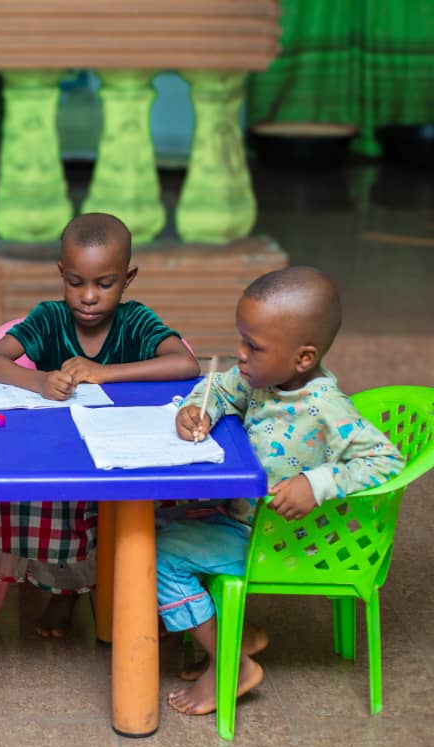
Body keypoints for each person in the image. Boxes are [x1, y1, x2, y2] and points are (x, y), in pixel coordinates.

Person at [161, 266, 405, 716]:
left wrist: (318, 483)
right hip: (240, 518)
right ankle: (240, 632)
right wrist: (199, 410)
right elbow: (220, 392)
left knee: (160, 555)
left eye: (253, 346)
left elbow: (385, 460)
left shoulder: (325, 406)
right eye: (241, 339)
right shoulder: (262, 380)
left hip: (277, 541)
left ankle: (230, 662)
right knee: (156, 517)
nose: (241, 354)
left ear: (303, 358)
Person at [0, 212, 201, 637]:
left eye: (104, 284)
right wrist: (38, 380)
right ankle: (63, 593)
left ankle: (141, 595)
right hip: (65, 452)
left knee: (146, 502)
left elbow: (185, 362)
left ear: (128, 278)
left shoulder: (136, 321)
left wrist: (104, 372)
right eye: (76, 282)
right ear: (61, 275)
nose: (88, 297)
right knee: (48, 498)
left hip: (127, 451)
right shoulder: (50, 318)